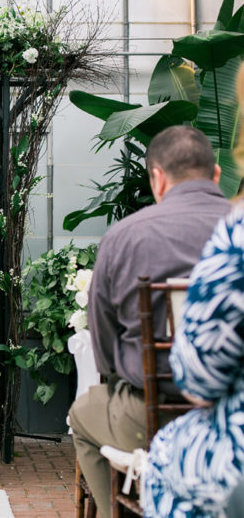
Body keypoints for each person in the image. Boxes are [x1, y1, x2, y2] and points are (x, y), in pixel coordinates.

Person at [68, 125, 231, 518]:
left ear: (156, 178)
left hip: (150, 417)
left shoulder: (126, 237)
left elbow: (105, 351)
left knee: (82, 412)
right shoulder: (236, 232)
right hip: (235, 415)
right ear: (217, 174)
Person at [141, 67, 244, 517]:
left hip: (229, 444)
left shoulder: (236, 235)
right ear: (218, 173)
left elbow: (199, 379)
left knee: (164, 453)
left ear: (157, 179)